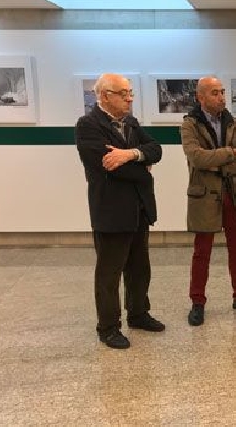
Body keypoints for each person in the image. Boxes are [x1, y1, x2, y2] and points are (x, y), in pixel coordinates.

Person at [76, 73, 165, 349]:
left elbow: (156, 149)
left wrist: (130, 154)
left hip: (138, 208)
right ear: (105, 96)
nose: (130, 99)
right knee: (109, 272)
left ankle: (138, 314)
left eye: (130, 93)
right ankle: (108, 327)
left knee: (139, 268)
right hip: (111, 211)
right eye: (124, 93)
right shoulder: (88, 125)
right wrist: (143, 168)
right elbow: (107, 167)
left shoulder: (131, 123)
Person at [181, 76, 236, 326]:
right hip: (204, 196)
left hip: (234, 195)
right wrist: (228, 153)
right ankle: (197, 302)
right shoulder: (189, 124)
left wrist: (220, 167)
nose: (222, 97)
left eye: (223, 92)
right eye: (215, 93)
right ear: (200, 97)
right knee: (201, 252)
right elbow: (197, 158)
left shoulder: (233, 123)